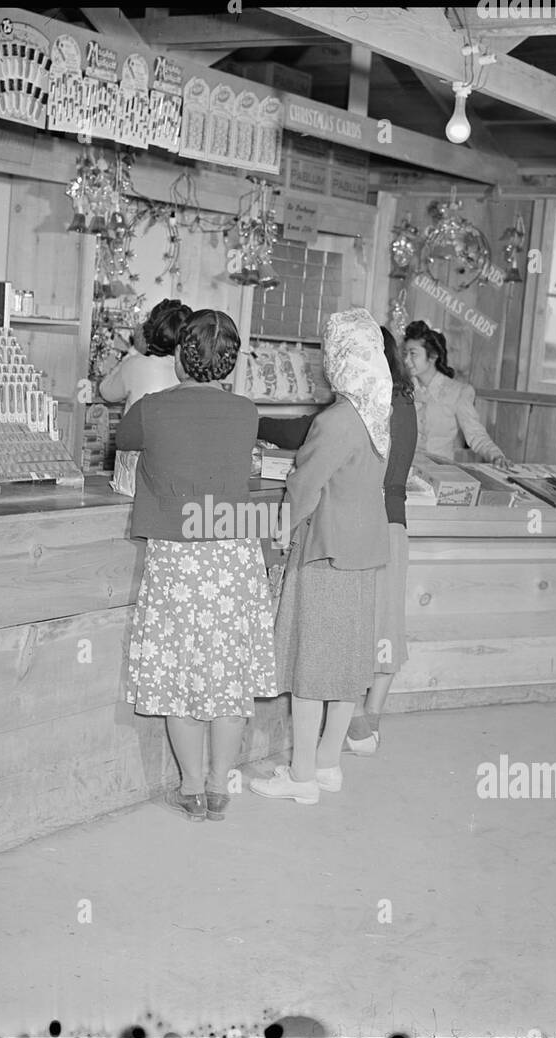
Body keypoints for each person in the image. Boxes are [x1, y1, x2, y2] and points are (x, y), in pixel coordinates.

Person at [117, 310, 277, 823]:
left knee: (177, 672)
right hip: (234, 551)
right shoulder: (246, 412)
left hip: (177, 554)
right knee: (228, 677)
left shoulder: (152, 409)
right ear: (229, 362)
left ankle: (189, 788)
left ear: (180, 358)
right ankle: (218, 785)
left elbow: (123, 439)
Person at [249, 308, 391, 805]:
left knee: (310, 666)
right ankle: (328, 763)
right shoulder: (377, 415)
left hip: (325, 552)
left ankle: (302, 774)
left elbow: (304, 487)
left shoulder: (335, 421)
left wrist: (282, 530)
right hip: (364, 551)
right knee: (346, 667)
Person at [99, 298, 192, 496]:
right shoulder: (190, 373)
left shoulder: (136, 364)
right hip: (177, 475)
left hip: (134, 476)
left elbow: (106, 391)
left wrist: (134, 351)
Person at [403, 319, 509, 468]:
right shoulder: (403, 390)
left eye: (413, 354)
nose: (406, 360)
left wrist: (496, 456)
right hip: (406, 471)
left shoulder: (458, 392)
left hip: (440, 472)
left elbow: (475, 434)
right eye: (405, 354)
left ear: (433, 356)